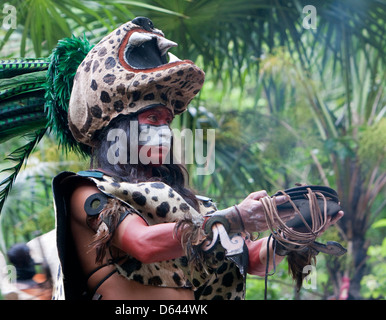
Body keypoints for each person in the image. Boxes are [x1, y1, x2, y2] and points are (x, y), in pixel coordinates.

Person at [52, 17, 343, 300]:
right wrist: (234, 218)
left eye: (167, 121)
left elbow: (253, 260)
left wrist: (290, 236)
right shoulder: (87, 190)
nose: (164, 130)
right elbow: (143, 243)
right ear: (119, 128)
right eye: (152, 118)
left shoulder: (193, 208)